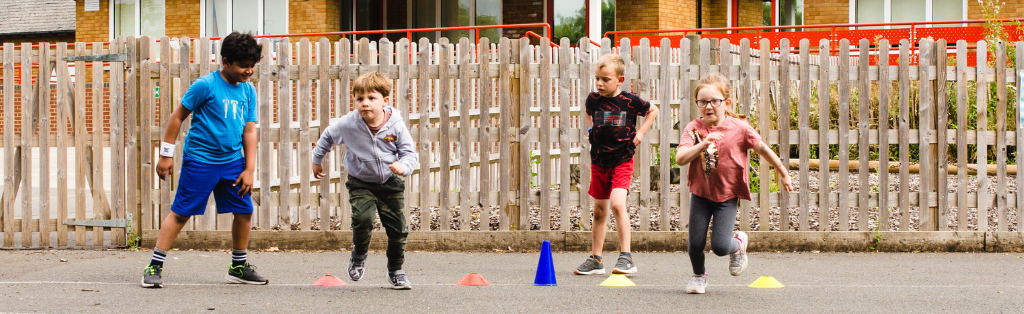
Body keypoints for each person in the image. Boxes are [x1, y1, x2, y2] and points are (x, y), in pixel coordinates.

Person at [142, 31, 266, 288]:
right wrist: (166, 155)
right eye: (243, 66)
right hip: (201, 160)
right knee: (181, 213)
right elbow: (177, 117)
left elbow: (249, 130)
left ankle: (238, 267)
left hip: (233, 162)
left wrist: (249, 169)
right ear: (226, 62)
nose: (249, 71)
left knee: (244, 211)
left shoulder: (248, 91)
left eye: (252, 66)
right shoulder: (205, 85)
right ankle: (154, 265)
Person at [674, 72, 794, 294]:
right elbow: (680, 159)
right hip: (701, 194)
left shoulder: (739, 128)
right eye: (703, 102)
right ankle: (698, 276)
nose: (708, 106)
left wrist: (783, 173)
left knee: (720, 247)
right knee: (695, 244)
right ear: (697, 103)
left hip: (727, 196)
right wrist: (702, 145)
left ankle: (738, 244)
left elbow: (763, 149)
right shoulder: (694, 128)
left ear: (726, 102)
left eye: (714, 101)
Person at [312, 71, 418, 290]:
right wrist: (317, 160)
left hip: (391, 181)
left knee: (398, 229)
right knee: (363, 219)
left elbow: (409, 153)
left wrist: (403, 166)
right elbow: (328, 136)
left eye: (371, 98)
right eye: (360, 99)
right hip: (361, 181)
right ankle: (359, 255)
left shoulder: (396, 125)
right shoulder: (348, 124)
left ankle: (396, 271)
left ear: (385, 101)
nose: (365, 104)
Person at [574, 53, 659, 276]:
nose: (600, 84)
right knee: (599, 211)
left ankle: (627, 257)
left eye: (606, 79)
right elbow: (588, 112)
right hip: (599, 161)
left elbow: (653, 110)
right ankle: (596, 259)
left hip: (622, 160)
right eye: (597, 79)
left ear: (619, 80)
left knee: (617, 204)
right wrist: (592, 128)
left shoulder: (630, 101)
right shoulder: (593, 99)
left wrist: (640, 131)